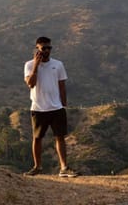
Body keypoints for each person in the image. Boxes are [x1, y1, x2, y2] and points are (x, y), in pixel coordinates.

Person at [23, 36, 78, 177]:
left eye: (49, 48)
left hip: (56, 107)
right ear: (37, 48)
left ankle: (64, 168)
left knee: (60, 137)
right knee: (37, 138)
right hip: (38, 107)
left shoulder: (58, 64)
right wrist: (36, 65)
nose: (47, 51)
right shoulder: (29, 65)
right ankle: (37, 167)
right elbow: (30, 83)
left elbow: (62, 85)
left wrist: (64, 104)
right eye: (43, 48)